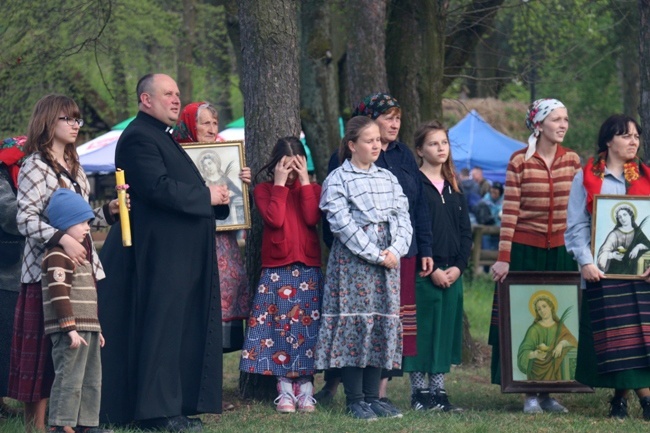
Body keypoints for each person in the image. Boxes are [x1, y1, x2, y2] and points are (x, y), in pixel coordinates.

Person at [97, 74, 230, 431]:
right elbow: (157, 189)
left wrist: (217, 196)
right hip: (160, 254)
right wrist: (206, 196)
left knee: (179, 330)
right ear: (145, 99)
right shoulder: (139, 137)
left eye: (177, 93)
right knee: (162, 329)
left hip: (180, 254)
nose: (176, 99)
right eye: (167, 94)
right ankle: (156, 413)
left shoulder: (163, 138)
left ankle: (176, 405)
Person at [9, 95, 119, 433]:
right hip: (45, 270)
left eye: (77, 120)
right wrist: (61, 238)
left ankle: (72, 423)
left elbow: (81, 219)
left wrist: (107, 212)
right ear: (47, 122)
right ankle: (38, 428)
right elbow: (23, 218)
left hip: (82, 270)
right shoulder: (33, 165)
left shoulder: (75, 164)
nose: (74, 125)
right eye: (67, 119)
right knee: (42, 355)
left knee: (77, 351)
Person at [315, 93, 433, 407]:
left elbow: (402, 216)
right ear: (352, 145)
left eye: (378, 141)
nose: (377, 145)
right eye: (369, 140)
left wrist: (395, 249)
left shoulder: (388, 178)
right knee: (356, 325)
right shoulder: (339, 179)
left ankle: (373, 396)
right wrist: (376, 253)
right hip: (356, 263)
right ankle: (355, 398)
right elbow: (343, 225)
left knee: (380, 324)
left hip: (388, 262)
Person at [489, 98, 581, 414]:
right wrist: (503, 257)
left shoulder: (573, 160)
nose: (563, 125)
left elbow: (581, 208)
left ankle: (549, 393)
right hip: (525, 250)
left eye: (566, 119)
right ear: (539, 124)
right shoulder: (519, 161)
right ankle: (527, 392)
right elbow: (510, 211)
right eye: (556, 119)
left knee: (556, 323)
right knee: (525, 321)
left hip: (562, 250)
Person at [565, 114, 650, 420]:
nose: (633, 142)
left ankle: (620, 400)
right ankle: (645, 400)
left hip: (642, 276)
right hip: (602, 272)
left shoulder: (645, 176)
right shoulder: (587, 177)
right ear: (609, 141)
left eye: (637, 137)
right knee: (617, 338)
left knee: (639, 338)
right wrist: (586, 262)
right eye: (627, 136)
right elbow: (575, 227)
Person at [173, 102, 252, 412]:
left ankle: (211, 393)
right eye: (204, 123)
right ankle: (185, 392)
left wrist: (243, 182)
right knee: (192, 318)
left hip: (224, 245)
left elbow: (237, 203)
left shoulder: (228, 153)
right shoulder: (179, 154)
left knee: (217, 320)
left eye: (214, 122)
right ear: (191, 125)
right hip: (191, 245)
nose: (211, 128)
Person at [238, 137, 322, 414]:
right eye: (285, 165)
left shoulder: (312, 189)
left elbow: (311, 217)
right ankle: (284, 389)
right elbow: (274, 218)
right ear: (276, 165)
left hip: (308, 268)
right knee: (279, 330)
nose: (290, 172)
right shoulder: (264, 190)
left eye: (295, 165)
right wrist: (278, 184)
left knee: (306, 331)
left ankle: (306, 389)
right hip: (277, 269)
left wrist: (305, 181)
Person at [404, 121, 471, 412]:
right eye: (433, 143)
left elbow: (465, 232)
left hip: (452, 271)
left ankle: (439, 392)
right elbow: (411, 230)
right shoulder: (414, 184)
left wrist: (458, 267)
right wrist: (430, 269)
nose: (440, 148)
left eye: (444, 143)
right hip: (424, 271)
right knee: (423, 333)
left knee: (444, 333)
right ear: (420, 150)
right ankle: (419, 392)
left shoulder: (455, 187)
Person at [41, 189, 113, 433]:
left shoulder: (81, 256)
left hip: (88, 328)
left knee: (91, 378)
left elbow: (87, 297)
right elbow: (58, 294)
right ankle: (62, 423)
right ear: (64, 224)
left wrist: (97, 328)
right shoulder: (58, 256)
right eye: (81, 222)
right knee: (69, 377)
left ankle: (87, 423)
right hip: (70, 329)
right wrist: (69, 328)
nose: (87, 227)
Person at [0, 136, 27, 419]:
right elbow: (10, 215)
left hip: (20, 272)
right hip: (5, 273)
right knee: (3, 339)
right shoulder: (1, 179)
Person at [516, 295, 577, 381]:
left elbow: (573, 341)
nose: (542, 310)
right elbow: (523, 351)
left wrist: (561, 344)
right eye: (539, 309)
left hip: (557, 367)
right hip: (538, 370)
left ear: (551, 307)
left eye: (544, 306)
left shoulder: (559, 327)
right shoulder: (534, 329)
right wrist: (534, 354)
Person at [596, 204, 650, 275]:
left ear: (630, 215)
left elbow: (647, 244)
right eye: (619, 217)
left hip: (633, 271)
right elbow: (604, 251)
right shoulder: (614, 234)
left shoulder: (637, 232)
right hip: (615, 271)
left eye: (625, 215)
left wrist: (637, 247)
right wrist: (612, 255)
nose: (622, 218)